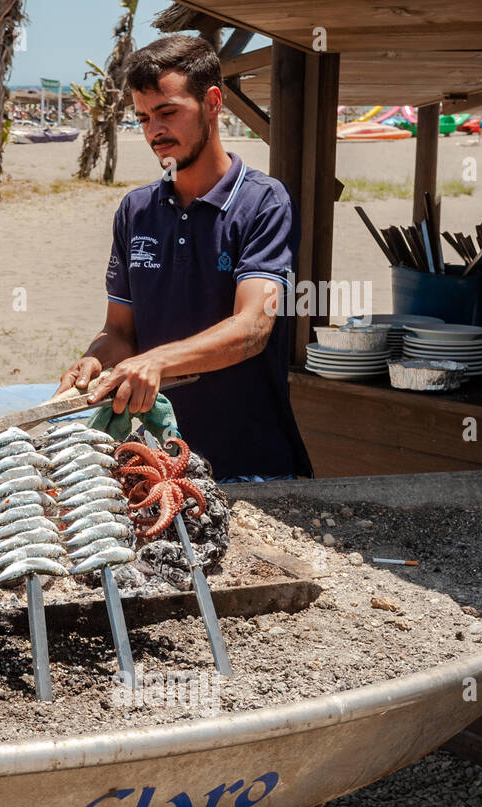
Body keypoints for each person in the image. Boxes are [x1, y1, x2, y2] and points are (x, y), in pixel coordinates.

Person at [55, 34, 313, 483]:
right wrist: (95, 359)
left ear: (213, 101)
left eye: (168, 112)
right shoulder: (136, 211)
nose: (155, 130)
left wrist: (154, 362)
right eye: (144, 117)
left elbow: (253, 328)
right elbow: (120, 331)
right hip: (160, 468)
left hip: (254, 469)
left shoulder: (264, 203)